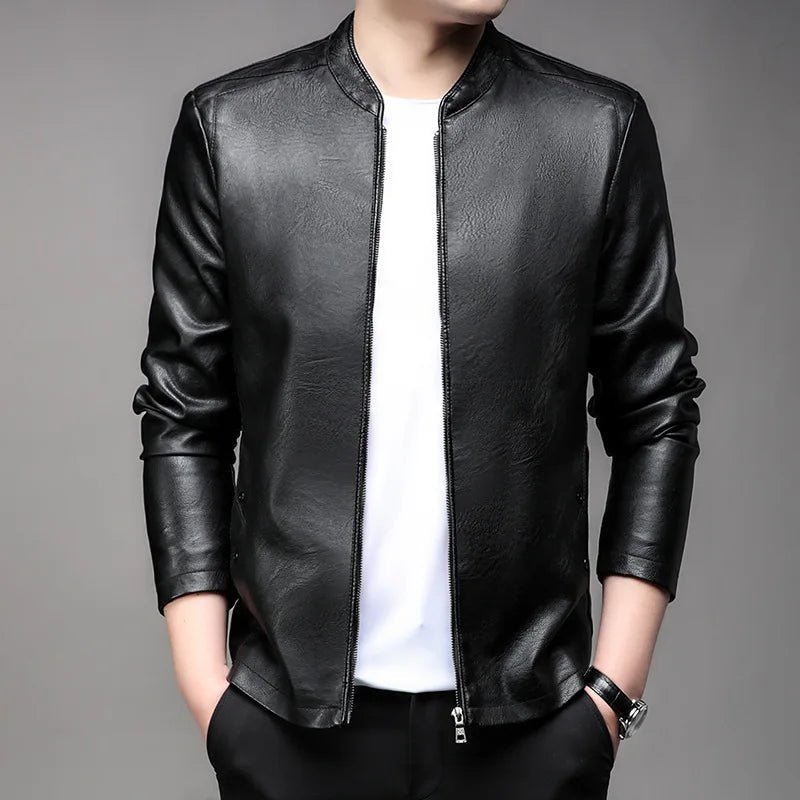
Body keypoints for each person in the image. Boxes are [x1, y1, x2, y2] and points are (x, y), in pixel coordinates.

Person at [131, 1, 706, 798]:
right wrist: (211, 695)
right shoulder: (233, 129)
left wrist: (609, 697)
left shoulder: (594, 130)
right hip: (289, 734)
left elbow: (657, 409)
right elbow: (184, 413)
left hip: (531, 734)